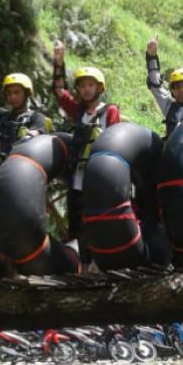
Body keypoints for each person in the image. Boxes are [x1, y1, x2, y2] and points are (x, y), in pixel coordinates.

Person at [52, 40, 121, 269]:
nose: (86, 89)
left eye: (91, 85)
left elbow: (116, 139)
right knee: (78, 224)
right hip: (78, 178)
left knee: (98, 222)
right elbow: (59, 91)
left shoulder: (109, 111)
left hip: (100, 178)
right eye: (82, 86)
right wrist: (59, 63)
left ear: (99, 88)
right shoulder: (78, 111)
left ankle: (101, 264)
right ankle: (84, 264)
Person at [0, 45, 51, 154]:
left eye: (17, 92)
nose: (12, 97)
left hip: (24, 165)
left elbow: (33, 136)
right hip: (4, 164)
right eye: (9, 93)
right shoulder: (4, 116)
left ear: (27, 93)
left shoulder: (37, 118)